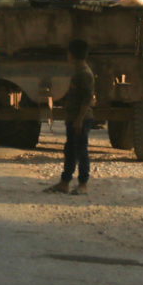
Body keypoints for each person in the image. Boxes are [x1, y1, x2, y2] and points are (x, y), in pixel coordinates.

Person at [45, 39, 95, 195]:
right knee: (70, 150)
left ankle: (83, 184)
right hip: (74, 118)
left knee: (81, 151)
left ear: (72, 55)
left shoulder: (85, 74)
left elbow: (87, 99)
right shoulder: (78, 73)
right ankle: (65, 182)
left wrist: (79, 119)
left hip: (81, 119)